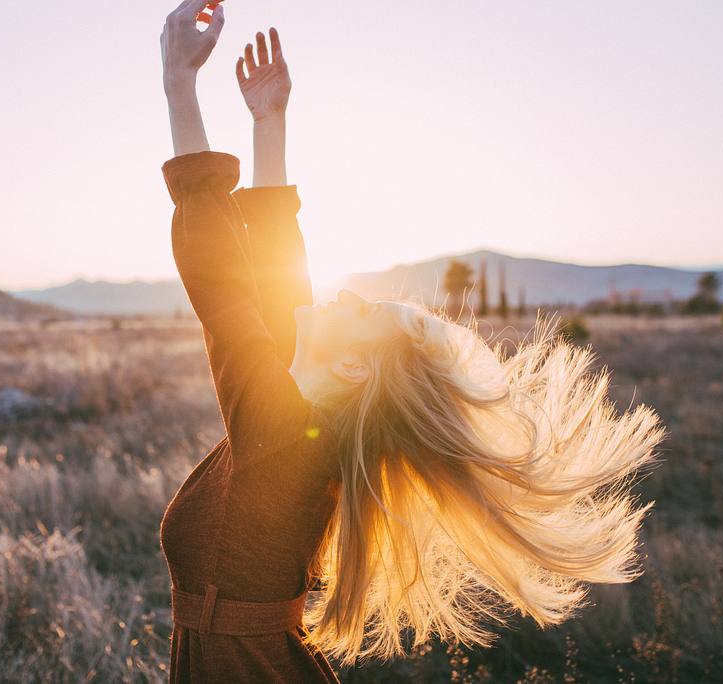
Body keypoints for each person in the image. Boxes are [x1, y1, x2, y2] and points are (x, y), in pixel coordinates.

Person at [158, 2, 666, 681]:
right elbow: (276, 292)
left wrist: (178, 82)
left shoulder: (283, 435)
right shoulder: (300, 429)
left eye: (362, 313)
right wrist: (269, 124)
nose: (341, 297)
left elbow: (222, 285)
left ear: (350, 366)